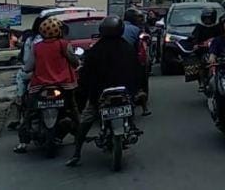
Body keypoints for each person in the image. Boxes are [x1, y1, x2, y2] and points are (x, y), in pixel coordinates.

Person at [66, 16, 143, 167]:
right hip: (124, 93)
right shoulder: (127, 48)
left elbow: (86, 74)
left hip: (100, 95)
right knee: (131, 109)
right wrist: (137, 89)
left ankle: (76, 153)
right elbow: (138, 71)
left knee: (85, 121)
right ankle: (131, 126)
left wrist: (84, 90)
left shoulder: (95, 50)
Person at [16, 17, 79, 153]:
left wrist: (25, 69)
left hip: (39, 86)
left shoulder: (37, 47)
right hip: (64, 85)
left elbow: (29, 66)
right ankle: (79, 135)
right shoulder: (64, 44)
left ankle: (23, 142)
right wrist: (76, 64)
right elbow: (74, 60)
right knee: (73, 109)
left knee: (29, 113)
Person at [9, 17, 44, 131]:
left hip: (33, 74)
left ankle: (18, 112)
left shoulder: (31, 40)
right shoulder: (54, 41)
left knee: (20, 78)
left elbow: (26, 60)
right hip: (51, 75)